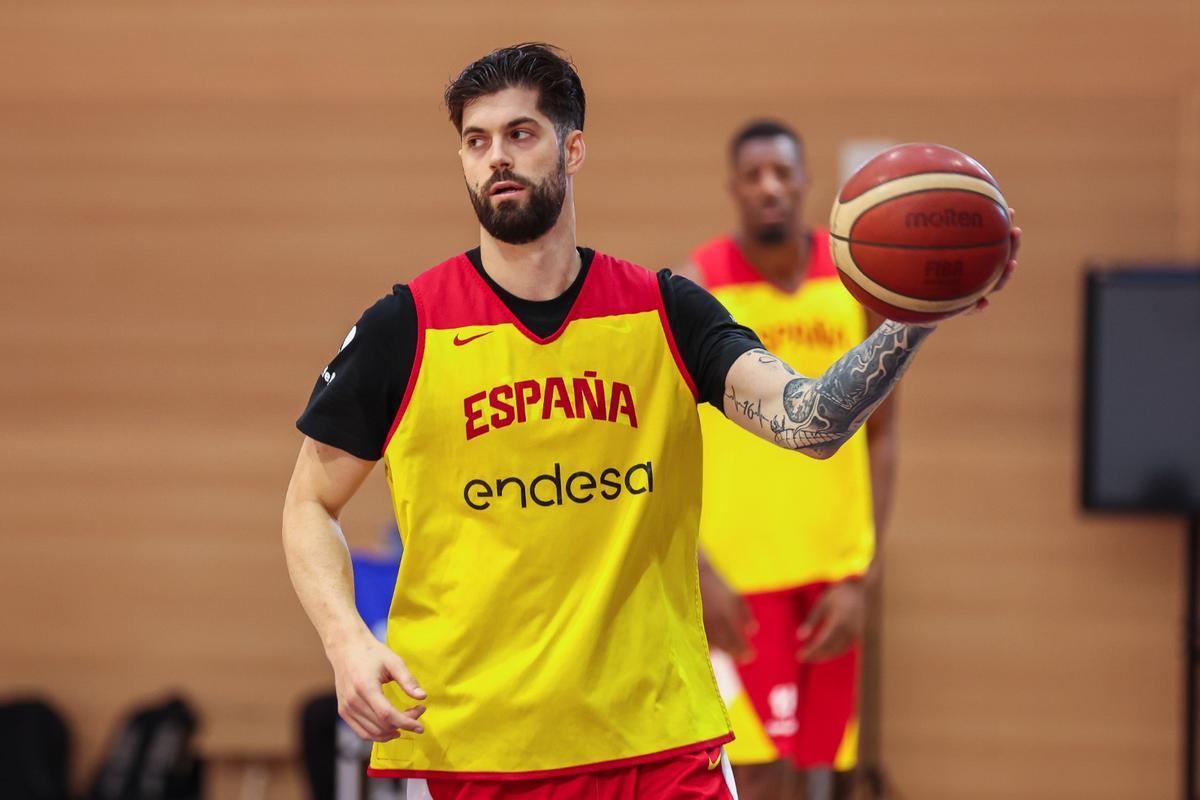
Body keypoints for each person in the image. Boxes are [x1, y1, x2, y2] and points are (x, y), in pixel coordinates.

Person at [281, 43, 1017, 800]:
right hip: (480, 749)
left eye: (520, 133)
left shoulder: (664, 310)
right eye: (477, 141)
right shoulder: (406, 327)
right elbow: (309, 502)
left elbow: (811, 421)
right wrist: (345, 640)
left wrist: (913, 317)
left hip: (659, 745)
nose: (496, 157)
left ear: (573, 148)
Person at [677, 121, 892, 800]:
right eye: (754, 175)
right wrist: (699, 572)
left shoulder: (856, 281)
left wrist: (863, 572)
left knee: (818, 775)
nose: (769, 187)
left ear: (805, 184)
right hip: (738, 584)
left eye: (782, 173)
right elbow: (669, 445)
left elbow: (882, 437)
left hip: (831, 580)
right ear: (733, 189)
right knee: (755, 775)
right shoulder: (699, 285)